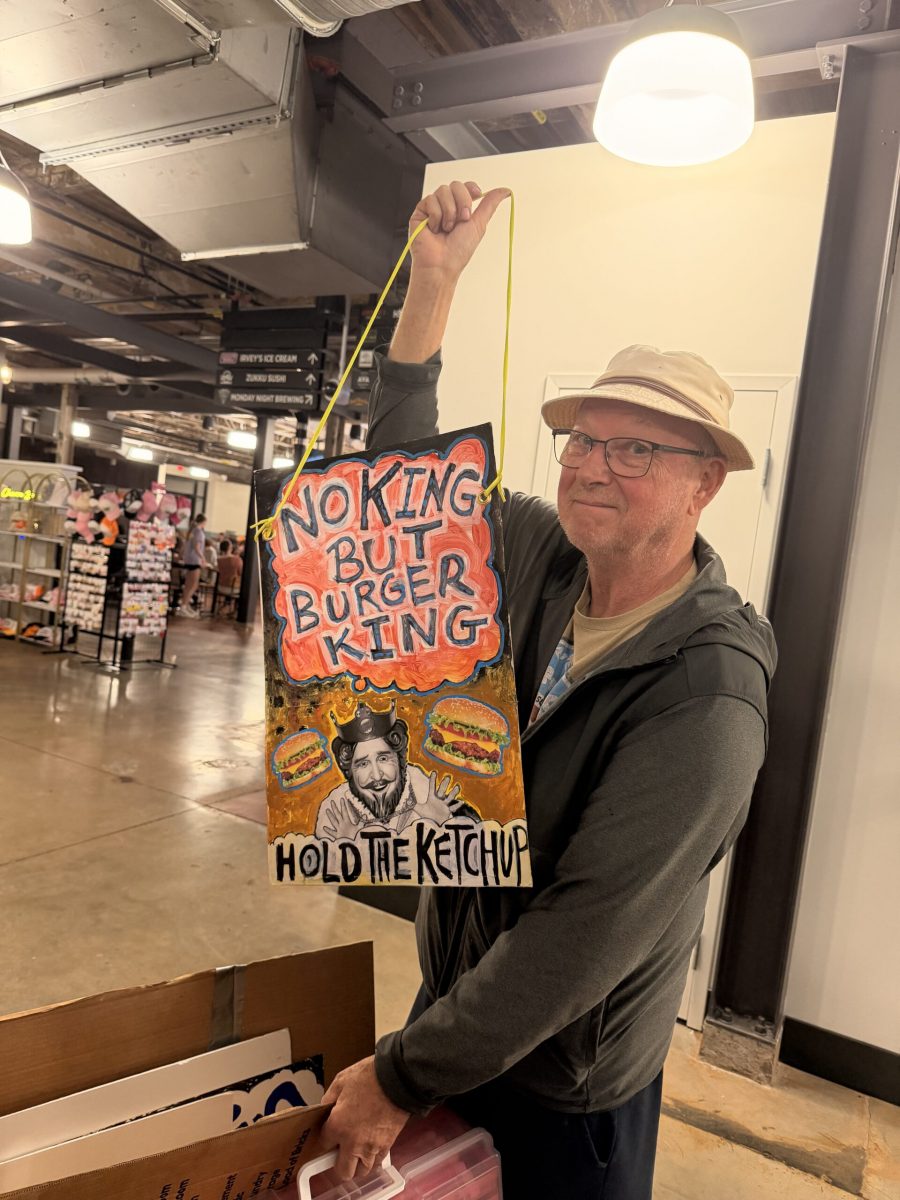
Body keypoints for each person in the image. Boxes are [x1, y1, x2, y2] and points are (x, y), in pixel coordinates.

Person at [319, 182, 776, 1200]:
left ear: (705, 484)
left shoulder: (708, 693)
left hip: (566, 1085)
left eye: (636, 449)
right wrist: (433, 286)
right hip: (459, 1015)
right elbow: (401, 492)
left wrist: (402, 1074)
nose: (592, 469)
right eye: (583, 441)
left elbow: (582, 935)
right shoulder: (542, 559)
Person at [315, 702, 479, 840]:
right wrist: (346, 847)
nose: (377, 776)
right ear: (349, 771)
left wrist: (443, 824)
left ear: (400, 759)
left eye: (383, 759)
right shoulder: (334, 810)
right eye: (363, 764)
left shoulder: (422, 791)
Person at [178, 512, 206, 618]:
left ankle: (185, 605)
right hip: (195, 560)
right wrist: (203, 558)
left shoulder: (192, 531)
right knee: (193, 585)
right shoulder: (198, 532)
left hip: (189, 560)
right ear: (204, 522)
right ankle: (184, 606)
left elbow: (186, 545)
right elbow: (197, 547)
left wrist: (181, 555)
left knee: (189, 585)